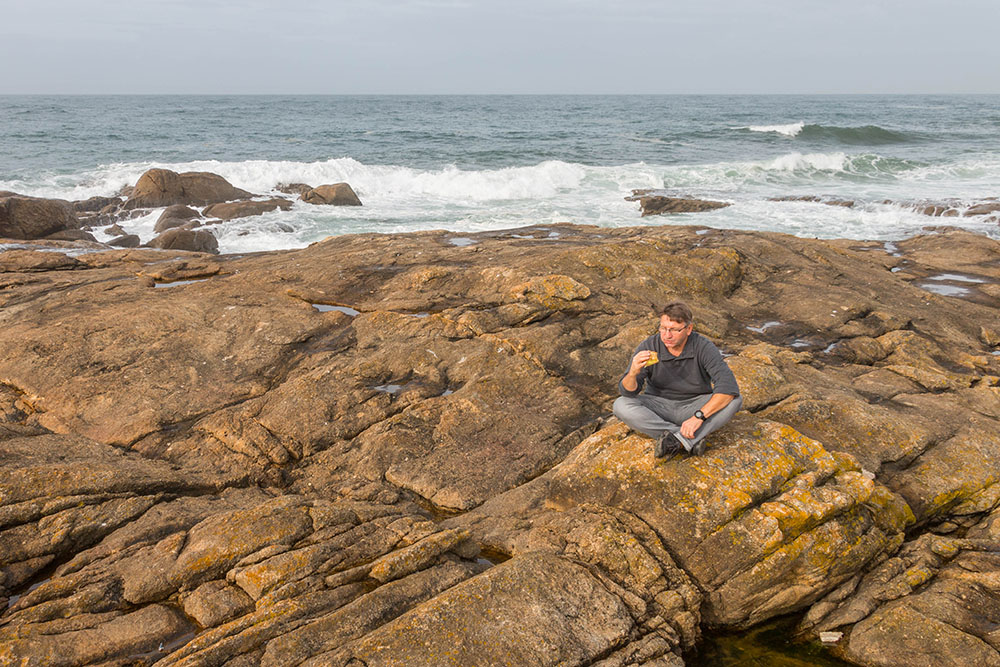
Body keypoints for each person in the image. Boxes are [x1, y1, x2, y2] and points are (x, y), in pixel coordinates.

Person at [613, 301, 742, 457]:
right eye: (663, 328)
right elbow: (628, 392)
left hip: (694, 405)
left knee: (735, 399)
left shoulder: (703, 347)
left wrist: (698, 417)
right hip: (659, 406)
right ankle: (686, 439)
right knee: (621, 404)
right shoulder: (649, 346)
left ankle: (677, 440)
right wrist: (633, 372)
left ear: (688, 329)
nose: (667, 335)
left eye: (674, 330)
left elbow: (728, 386)